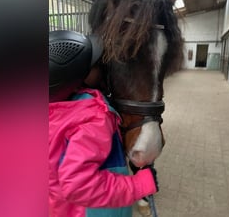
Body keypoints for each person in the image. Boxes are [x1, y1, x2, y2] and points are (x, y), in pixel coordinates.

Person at [48, 30, 158, 217]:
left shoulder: (53, 111)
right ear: (78, 78)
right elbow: (78, 185)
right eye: (97, 65)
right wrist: (140, 184)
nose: (104, 67)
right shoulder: (93, 117)